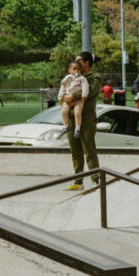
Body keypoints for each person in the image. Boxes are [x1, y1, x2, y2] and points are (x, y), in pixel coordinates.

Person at [66, 52, 103, 190]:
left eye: (80, 60)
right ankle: (78, 180)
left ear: (87, 62)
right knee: (75, 150)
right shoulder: (74, 76)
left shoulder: (95, 77)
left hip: (86, 118)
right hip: (71, 117)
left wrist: (72, 96)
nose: (77, 63)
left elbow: (90, 92)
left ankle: (95, 180)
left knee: (89, 149)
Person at [59, 61, 89, 139]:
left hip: (78, 99)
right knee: (64, 111)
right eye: (74, 69)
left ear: (80, 70)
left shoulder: (82, 78)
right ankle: (65, 126)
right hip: (67, 97)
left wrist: (84, 95)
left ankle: (77, 129)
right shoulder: (66, 78)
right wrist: (60, 97)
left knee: (77, 112)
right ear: (69, 70)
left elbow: (85, 87)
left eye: (78, 69)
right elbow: (62, 88)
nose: (76, 71)